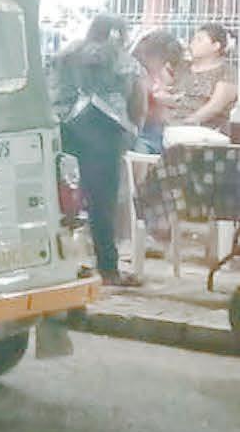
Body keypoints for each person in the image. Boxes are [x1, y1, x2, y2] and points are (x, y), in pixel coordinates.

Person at [51, 15, 146, 287]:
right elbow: (138, 101)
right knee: (102, 204)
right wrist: (133, 130)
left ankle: (63, 265)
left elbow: (52, 91)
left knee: (63, 201)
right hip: (106, 136)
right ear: (119, 34)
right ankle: (107, 268)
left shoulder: (65, 56)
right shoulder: (124, 61)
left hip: (66, 132)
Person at [167, 24, 238, 131]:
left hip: (204, 131)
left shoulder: (227, 72)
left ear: (215, 46)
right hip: (169, 125)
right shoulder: (182, 67)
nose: (192, 43)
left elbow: (214, 107)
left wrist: (183, 125)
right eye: (193, 39)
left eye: (199, 40)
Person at [131, 30, 186, 153]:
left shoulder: (151, 73)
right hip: (141, 135)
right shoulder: (138, 76)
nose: (165, 66)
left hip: (152, 131)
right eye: (164, 62)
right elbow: (140, 113)